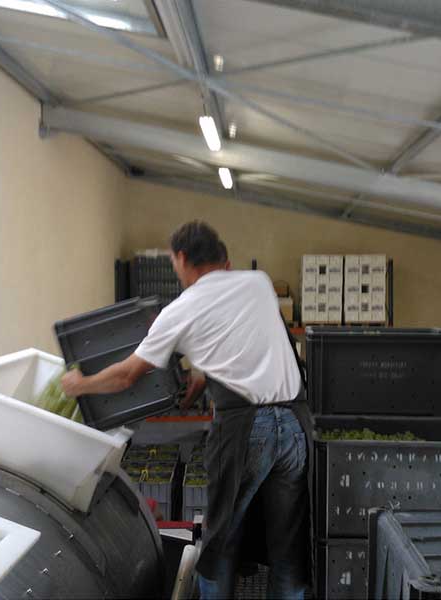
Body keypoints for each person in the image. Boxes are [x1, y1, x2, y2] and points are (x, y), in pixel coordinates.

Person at [62, 221, 312, 599]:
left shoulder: (181, 310)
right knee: (287, 544)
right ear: (221, 256)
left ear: (181, 257)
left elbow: (128, 375)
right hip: (294, 425)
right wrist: (200, 378)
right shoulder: (258, 282)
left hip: (246, 431)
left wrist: (81, 385)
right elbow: (243, 337)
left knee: (220, 541)